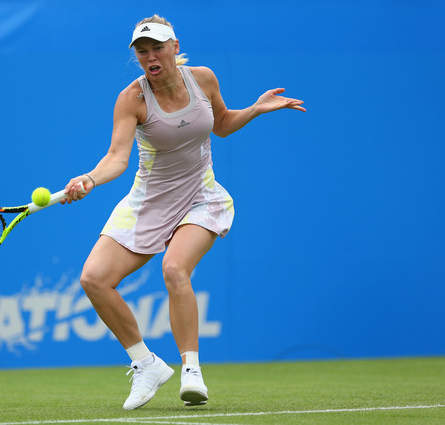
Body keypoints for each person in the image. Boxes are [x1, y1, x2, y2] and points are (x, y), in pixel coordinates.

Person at [62, 15, 306, 410]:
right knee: (93, 279)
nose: (150, 56)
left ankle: (191, 370)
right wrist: (90, 178)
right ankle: (146, 364)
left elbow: (222, 125)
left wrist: (256, 110)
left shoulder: (204, 78)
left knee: (175, 269)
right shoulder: (132, 99)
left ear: (175, 47)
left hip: (201, 197)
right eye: (142, 51)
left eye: (157, 47)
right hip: (149, 203)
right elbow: (116, 158)